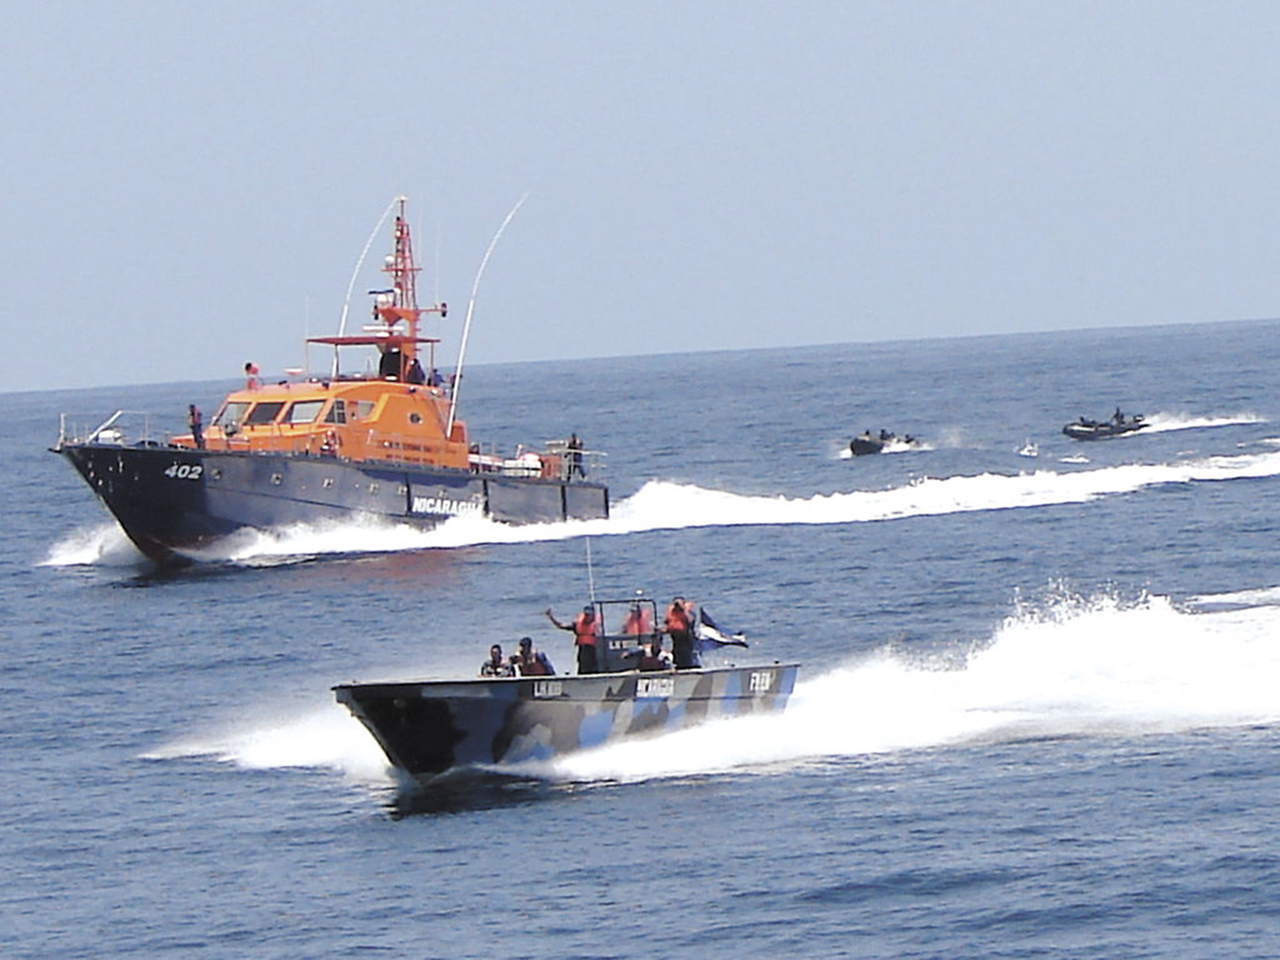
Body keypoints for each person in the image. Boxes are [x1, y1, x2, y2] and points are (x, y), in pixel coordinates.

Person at [546, 605, 600, 674]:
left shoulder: (597, 627)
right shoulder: (577, 625)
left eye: (589, 615)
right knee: (582, 666)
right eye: (586, 615)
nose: (587, 617)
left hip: (593, 654)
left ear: (593, 615)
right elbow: (561, 625)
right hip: (582, 653)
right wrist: (551, 617)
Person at [665, 597, 698, 669]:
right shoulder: (672, 614)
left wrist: (684, 610)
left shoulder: (688, 613)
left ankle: (688, 668)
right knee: (677, 655)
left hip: (686, 641)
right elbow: (667, 625)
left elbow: (690, 621)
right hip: (676, 642)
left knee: (686, 656)